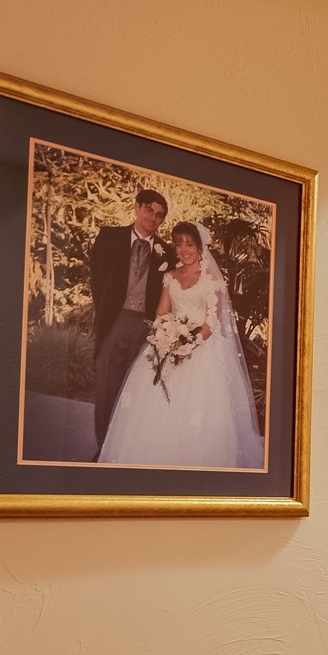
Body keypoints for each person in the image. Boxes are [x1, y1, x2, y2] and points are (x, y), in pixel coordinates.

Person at [97, 222, 265, 470]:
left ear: (200, 248)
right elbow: (161, 312)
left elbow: (212, 321)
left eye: (189, 244)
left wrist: (189, 344)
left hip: (203, 349)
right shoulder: (170, 277)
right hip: (168, 343)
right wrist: (168, 336)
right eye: (178, 244)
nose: (183, 250)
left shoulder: (212, 281)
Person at [87, 187, 170, 452]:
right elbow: (97, 279)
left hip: (147, 328)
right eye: (149, 210)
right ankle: (103, 451)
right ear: (136, 207)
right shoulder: (109, 237)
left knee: (136, 392)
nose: (153, 218)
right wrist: (108, 313)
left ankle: (123, 451)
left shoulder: (166, 252)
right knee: (107, 388)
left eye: (159, 215)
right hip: (116, 320)